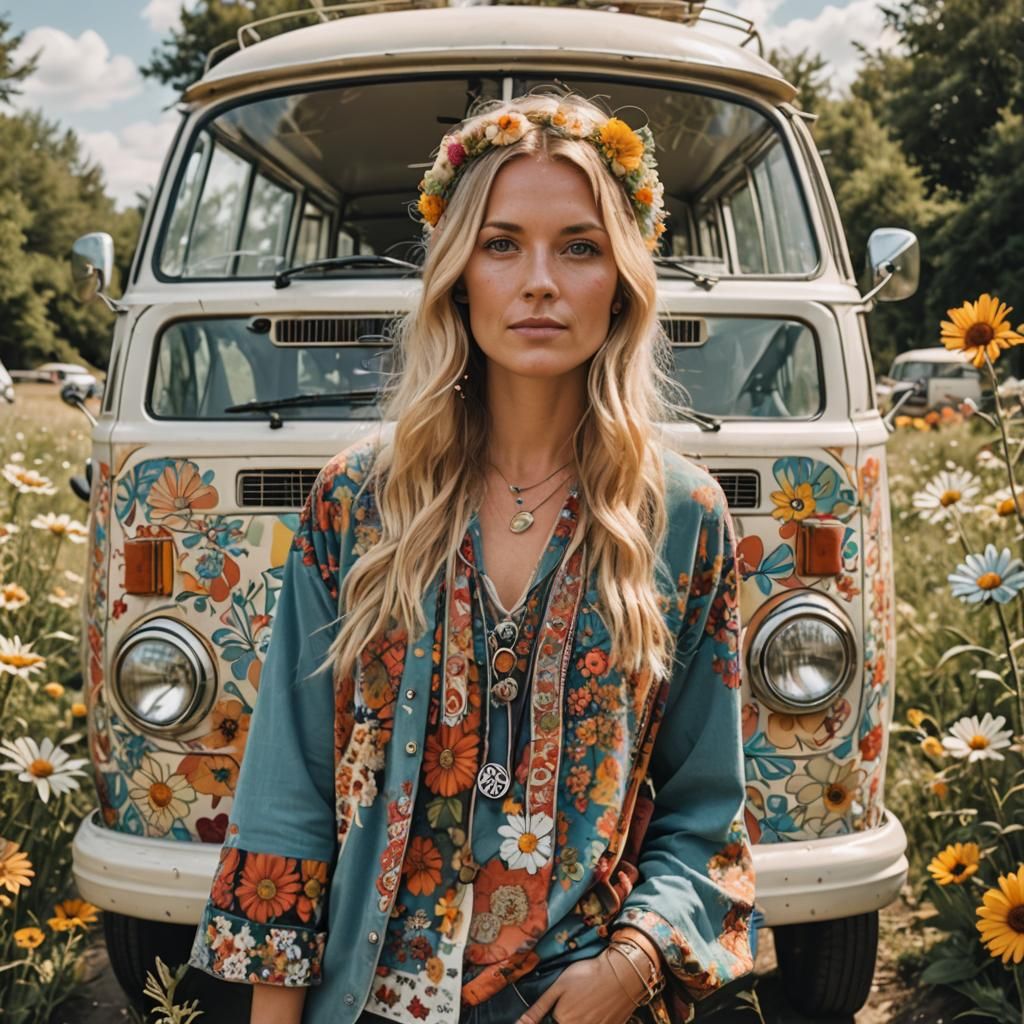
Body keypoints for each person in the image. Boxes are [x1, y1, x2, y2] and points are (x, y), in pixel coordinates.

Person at [188, 91, 756, 1024]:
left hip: (578, 998)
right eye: (501, 245)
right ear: (458, 277)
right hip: (369, 1000)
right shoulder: (358, 501)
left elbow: (706, 808)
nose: (540, 282)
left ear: (622, 280)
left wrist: (634, 965)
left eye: (579, 247)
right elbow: (289, 795)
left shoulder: (679, 517)